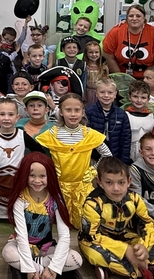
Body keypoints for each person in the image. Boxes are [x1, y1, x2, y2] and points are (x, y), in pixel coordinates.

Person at [78, 155, 154, 279]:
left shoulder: (135, 199)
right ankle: (146, 271)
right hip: (96, 241)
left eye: (121, 182)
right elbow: (92, 236)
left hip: (122, 236)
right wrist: (125, 250)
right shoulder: (93, 204)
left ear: (129, 181)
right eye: (109, 182)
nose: (116, 188)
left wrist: (143, 247)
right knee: (95, 254)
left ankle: (114, 268)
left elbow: (148, 223)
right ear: (99, 182)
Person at [2, 152, 84, 279]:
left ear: (49, 176)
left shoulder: (55, 199)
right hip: (24, 246)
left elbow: (64, 236)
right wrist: (30, 268)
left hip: (46, 247)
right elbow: (22, 236)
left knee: (76, 259)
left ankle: (27, 270)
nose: (37, 180)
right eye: (32, 175)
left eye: (42, 176)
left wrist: (53, 267)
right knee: (8, 253)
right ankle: (57, 274)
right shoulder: (21, 198)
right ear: (24, 175)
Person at [36, 92, 111, 227]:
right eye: (68, 110)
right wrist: (49, 169)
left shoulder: (89, 134)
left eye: (77, 110)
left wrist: (93, 170)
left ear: (83, 112)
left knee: (86, 222)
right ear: (61, 112)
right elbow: (38, 157)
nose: (73, 114)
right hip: (58, 186)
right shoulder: (52, 134)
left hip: (82, 187)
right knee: (56, 222)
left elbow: (107, 155)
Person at [0, 98, 46, 220]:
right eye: (2, 114)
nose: (6, 118)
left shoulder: (21, 135)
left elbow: (39, 152)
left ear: (17, 117)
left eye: (10, 114)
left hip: (16, 181)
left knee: (17, 209)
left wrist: (30, 166)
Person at [102, 4, 154, 79]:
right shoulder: (116, 32)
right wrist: (120, 78)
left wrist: (148, 79)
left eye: (138, 16)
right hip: (120, 75)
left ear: (144, 18)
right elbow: (109, 57)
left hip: (148, 77)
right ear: (126, 18)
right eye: (131, 16)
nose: (134, 18)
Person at [84, 78, 131, 163]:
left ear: (115, 94)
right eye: (102, 92)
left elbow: (125, 140)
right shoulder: (89, 112)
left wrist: (124, 161)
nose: (106, 95)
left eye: (110, 92)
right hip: (93, 157)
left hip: (115, 157)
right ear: (96, 94)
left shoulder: (121, 114)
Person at [125, 80, 154, 164]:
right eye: (135, 96)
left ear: (148, 99)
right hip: (127, 156)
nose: (139, 100)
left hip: (148, 157)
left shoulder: (153, 118)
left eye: (143, 97)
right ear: (129, 97)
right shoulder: (124, 116)